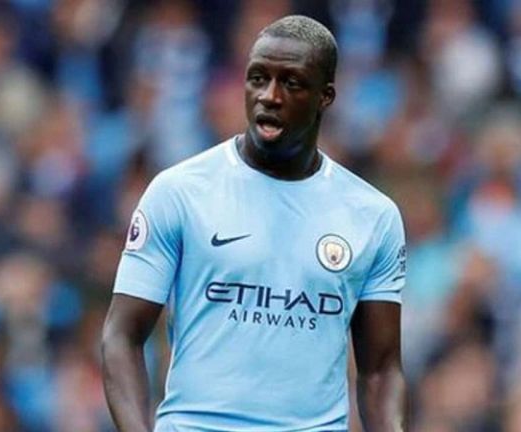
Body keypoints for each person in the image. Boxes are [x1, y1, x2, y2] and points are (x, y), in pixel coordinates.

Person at [101, 15, 407, 432]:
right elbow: (121, 335)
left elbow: (381, 370)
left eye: (291, 83)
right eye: (258, 78)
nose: (269, 96)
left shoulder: (373, 216)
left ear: (325, 96)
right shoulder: (180, 192)